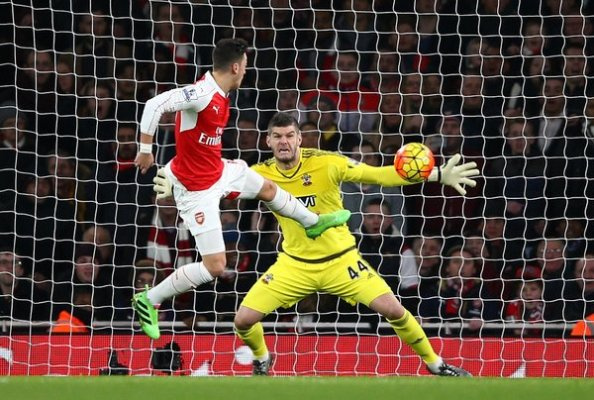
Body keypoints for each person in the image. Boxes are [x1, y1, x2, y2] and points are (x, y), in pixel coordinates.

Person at [156, 112, 478, 376]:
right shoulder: (258, 174)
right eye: (277, 136)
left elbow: (379, 175)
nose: (284, 141)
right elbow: (211, 181)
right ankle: (262, 358)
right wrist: (177, 182)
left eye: (289, 135)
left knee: (394, 310)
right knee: (242, 321)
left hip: (341, 261)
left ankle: (436, 364)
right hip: (294, 266)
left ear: (300, 139)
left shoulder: (328, 162)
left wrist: (436, 175)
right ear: (268, 141)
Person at [132, 38, 350, 340]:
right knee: (215, 266)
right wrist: (146, 150)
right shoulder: (202, 93)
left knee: (268, 189)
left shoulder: (222, 94)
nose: (246, 72)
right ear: (235, 67)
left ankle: (313, 222)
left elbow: (191, 141)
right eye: (245, 66)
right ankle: (149, 299)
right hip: (197, 190)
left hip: (218, 170)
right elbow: (154, 104)